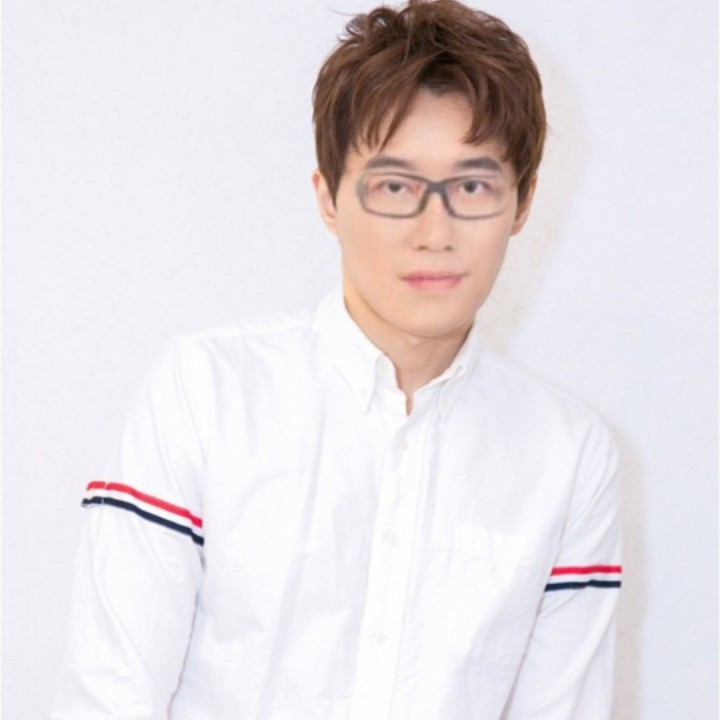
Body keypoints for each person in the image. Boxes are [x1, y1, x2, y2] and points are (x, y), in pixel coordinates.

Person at [52, 1, 622, 718]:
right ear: (328, 197)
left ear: (524, 201)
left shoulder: (569, 454)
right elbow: (107, 699)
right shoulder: (204, 393)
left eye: (473, 186)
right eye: (395, 186)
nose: (434, 231)